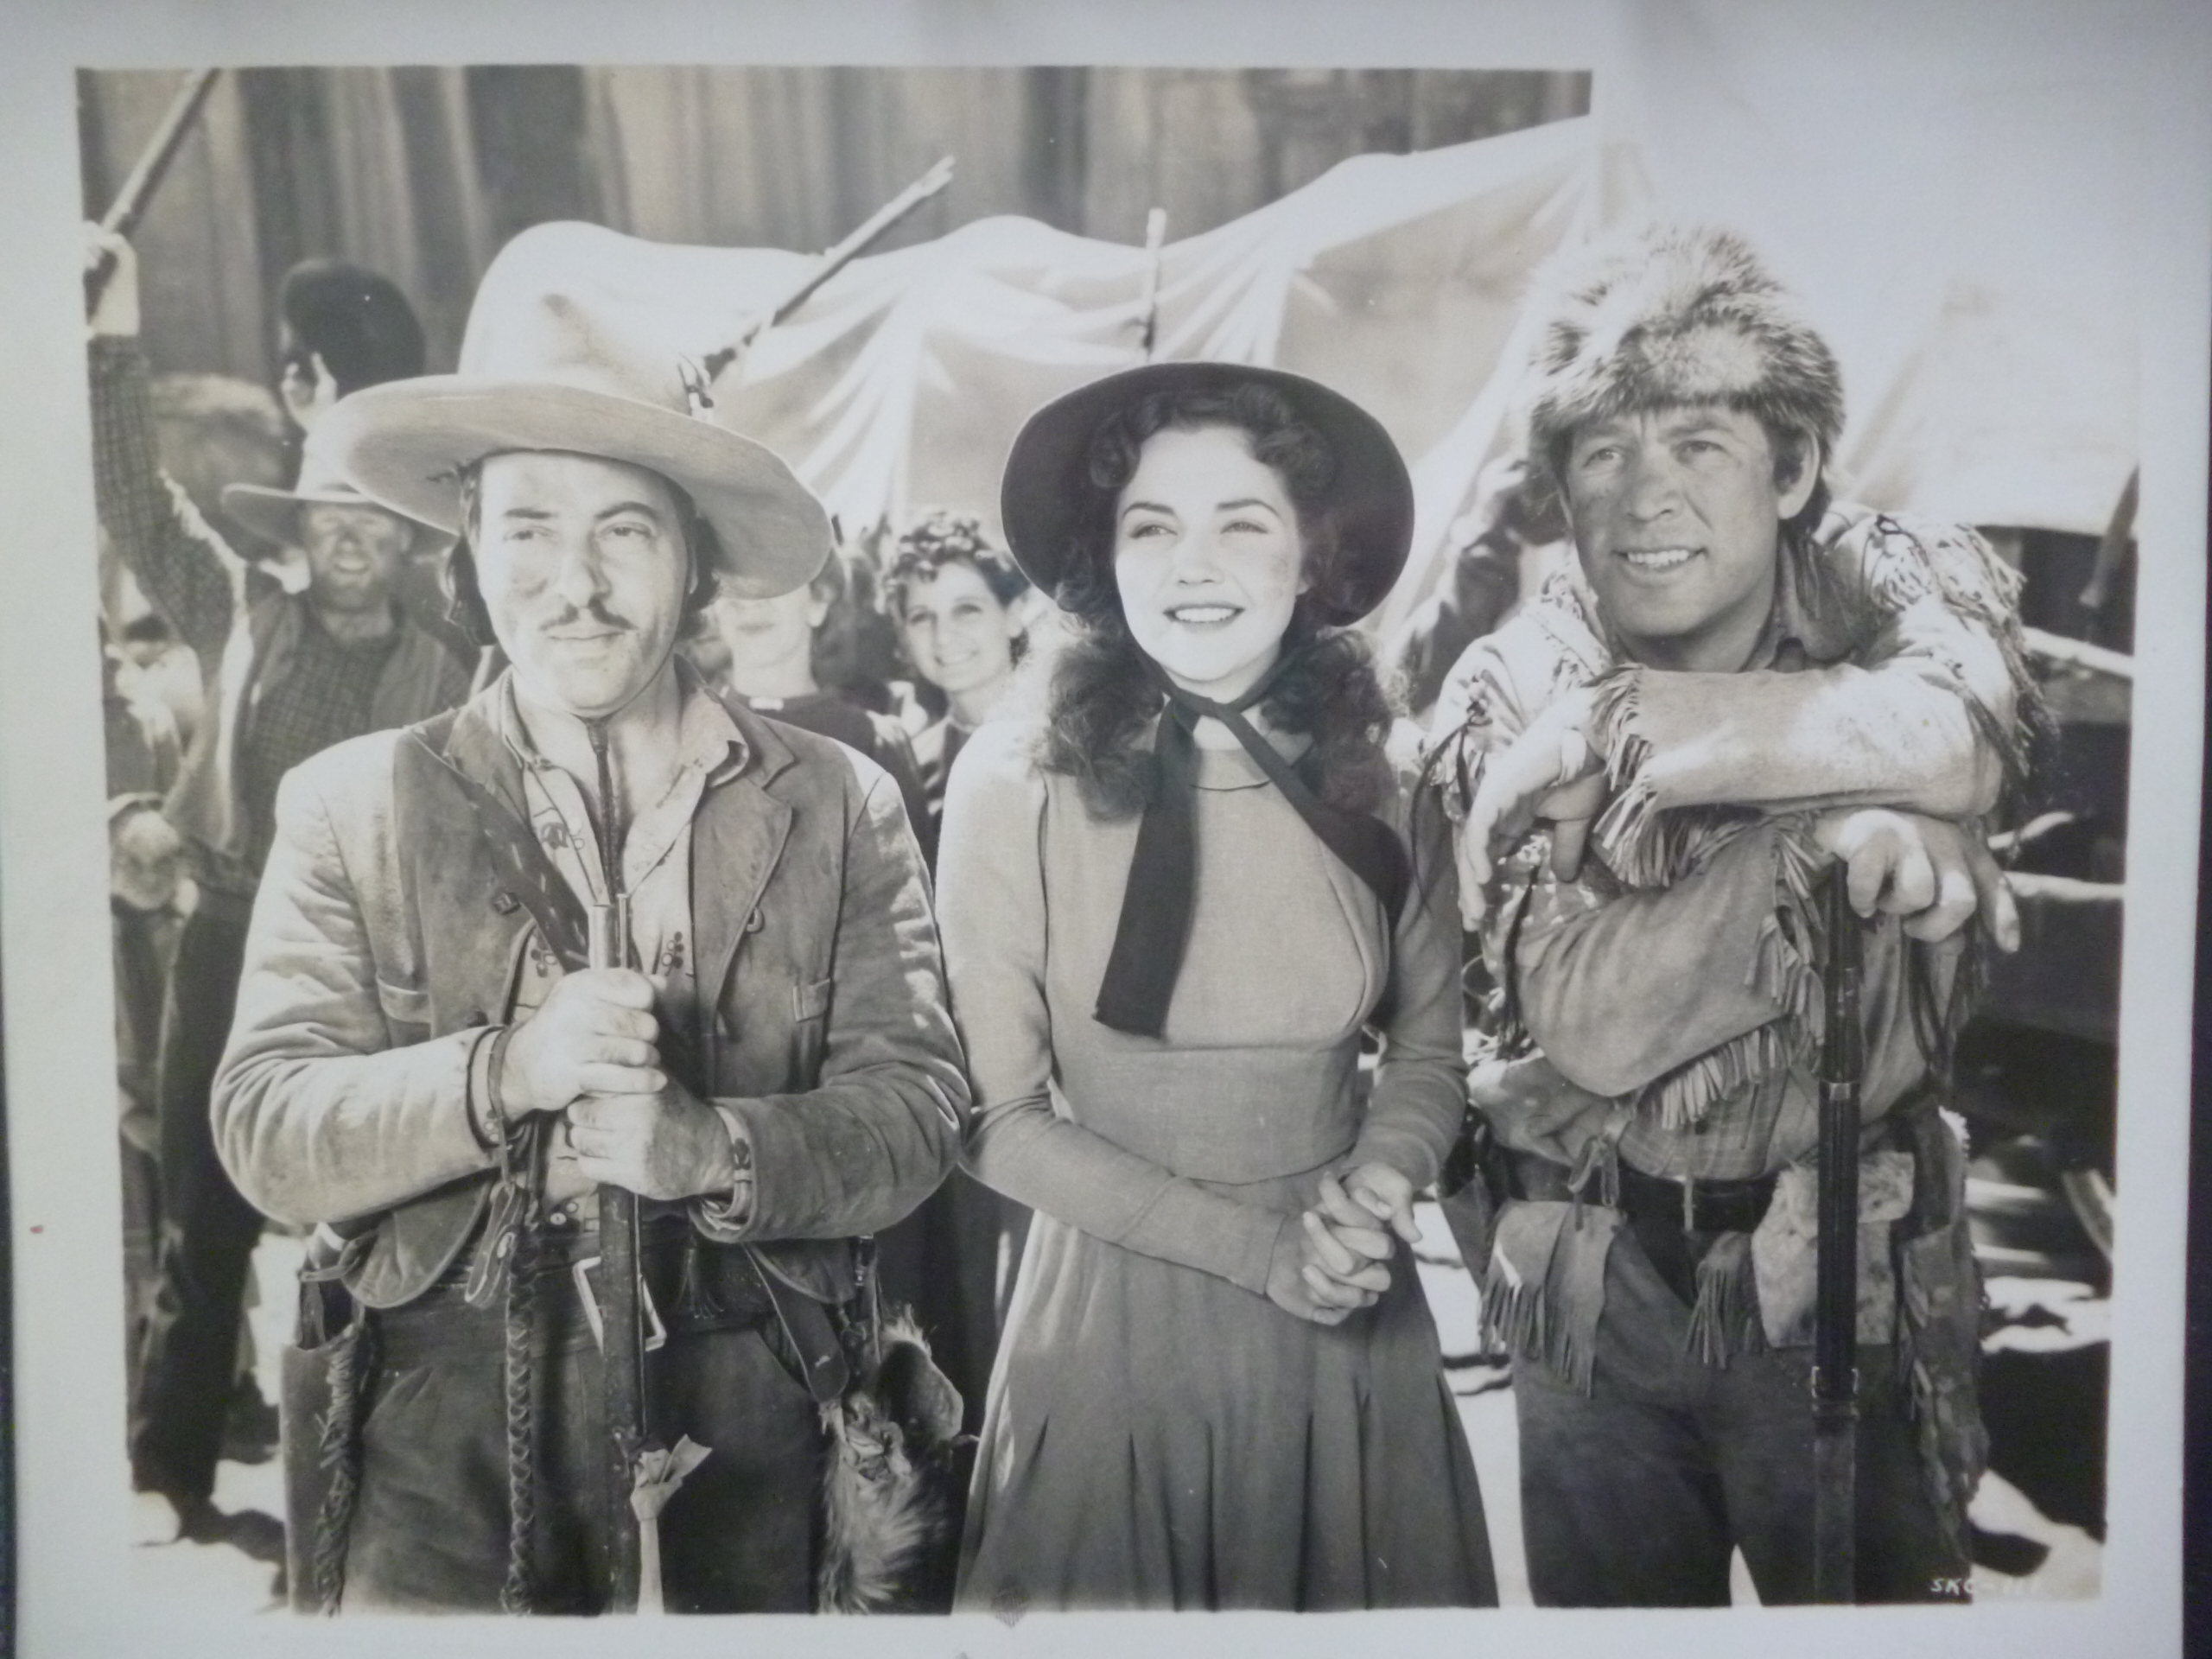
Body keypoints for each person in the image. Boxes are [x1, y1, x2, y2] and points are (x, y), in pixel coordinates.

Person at [211, 294, 969, 1614]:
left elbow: (919, 1108)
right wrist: (503, 1072)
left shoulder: (842, 802)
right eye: (529, 530)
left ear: (692, 561)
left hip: (764, 1424)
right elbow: (266, 1129)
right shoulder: (349, 805)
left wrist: (718, 1151)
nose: (576, 584)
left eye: (624, 529)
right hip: (438, 1455)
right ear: (468, 543)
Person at [1428, 222, 2043, 1606]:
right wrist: (1833, 828)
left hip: (1837, 1259)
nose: (1646, 499)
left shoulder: (1890, 581)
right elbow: (1585, 1021)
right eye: (1603, 452)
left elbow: (1967, 737)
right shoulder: (1520, 674)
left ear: (1796, 467)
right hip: (1587, 1276)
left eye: (1698, 443)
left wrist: (1644, 737)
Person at [940, 362, 1497, 1612]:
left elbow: (1429, 1057)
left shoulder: (1388, 773)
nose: (1193, 565)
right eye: (1152, 526)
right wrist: (1258, 1256)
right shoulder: (1007, 782)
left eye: (1241, 523)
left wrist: (1382, 1183)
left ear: (1310, 559)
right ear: (1106, 557)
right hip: (1116, 1328)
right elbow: (993, 1118)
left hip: (1351, 1307)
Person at [86, 228, 473, 1548]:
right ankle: (167, 1471)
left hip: (377, 961)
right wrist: (114, 331)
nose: (350, 537)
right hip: (233, 933)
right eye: (328, 517)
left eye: (374, 515)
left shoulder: (452, 654)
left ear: (402, 532)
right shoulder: (238, 606)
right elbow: (136, 500)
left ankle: (375, 1475)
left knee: (373, 1216)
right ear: (302, 529)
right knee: (200, 1212)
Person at [705, 544, 934, 862]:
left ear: (819, 601)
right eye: (734, 580)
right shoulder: (682, 730)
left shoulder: (873, 742)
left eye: (775, 580)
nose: (750, 601)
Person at [885, 509, 1033, 845]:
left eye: (966, 610)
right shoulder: (911, 766)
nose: (943, 636)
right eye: (922, 617)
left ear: (1012, 615)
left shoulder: (1069, 741)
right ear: (904, 636)